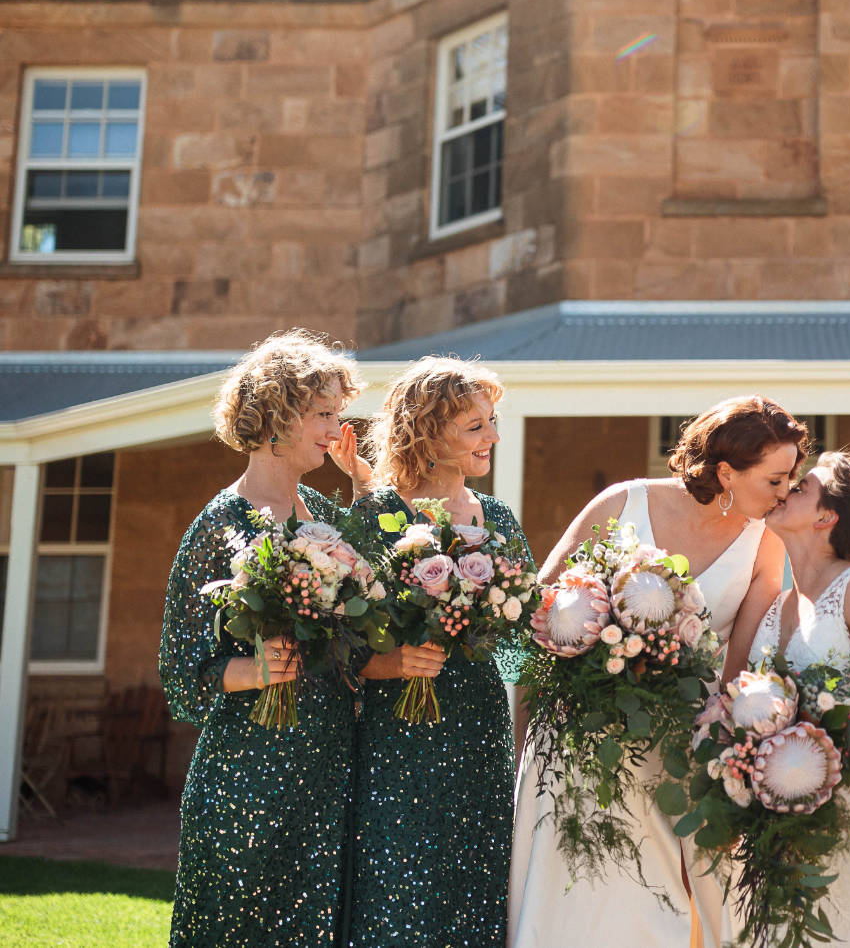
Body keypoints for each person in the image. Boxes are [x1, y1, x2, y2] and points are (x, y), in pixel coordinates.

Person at [506, 396, 806, 948]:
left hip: (672, 750)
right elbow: (534, 613)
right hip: (577, 736)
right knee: (569, 896)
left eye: (792, 477)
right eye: (776, 479)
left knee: (652, 905)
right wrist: (524, 730)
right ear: (725, 473)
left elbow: (734, 677)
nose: (787, 492)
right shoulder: (622, 503)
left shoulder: (767, 545)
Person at [157, 329, 363, 947]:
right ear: (277, 415)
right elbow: (180, 668)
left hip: (326, 769)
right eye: (324, 413)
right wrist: (255, 671)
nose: (336, 427)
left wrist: (361, 485)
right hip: (249, 770)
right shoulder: (220, 525)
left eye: (338, 412)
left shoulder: (328, 522)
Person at [338, 356, 532, 948]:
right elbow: (336, 643)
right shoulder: (376, 515)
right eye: (475, 426)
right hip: (402, 741)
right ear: (426, 432)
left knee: (477, 890)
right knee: (399, 894)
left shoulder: (496, 519)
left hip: (480, 734)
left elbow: (521, 645)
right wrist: (391, 664)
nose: (493, 436)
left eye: (491, 421)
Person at [733, 449, 850, 948]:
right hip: (783, 809)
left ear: (826, 516)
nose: (786, 489)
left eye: (802, 486)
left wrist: (825, 777)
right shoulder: (778, 604)